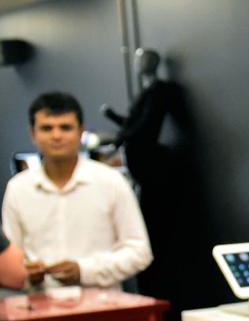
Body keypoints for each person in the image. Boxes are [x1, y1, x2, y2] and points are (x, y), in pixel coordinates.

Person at [2, 91, 152, 289]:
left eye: (65, 128)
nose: (56, 136)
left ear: (81, 132)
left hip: (104, 307)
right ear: (33, 134)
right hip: (40, 308)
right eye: (47, 128)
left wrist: (85, 270)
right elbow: (9, 257)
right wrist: (28, 274)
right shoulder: (18, 188)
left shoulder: (110, 182)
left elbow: (140, 252)